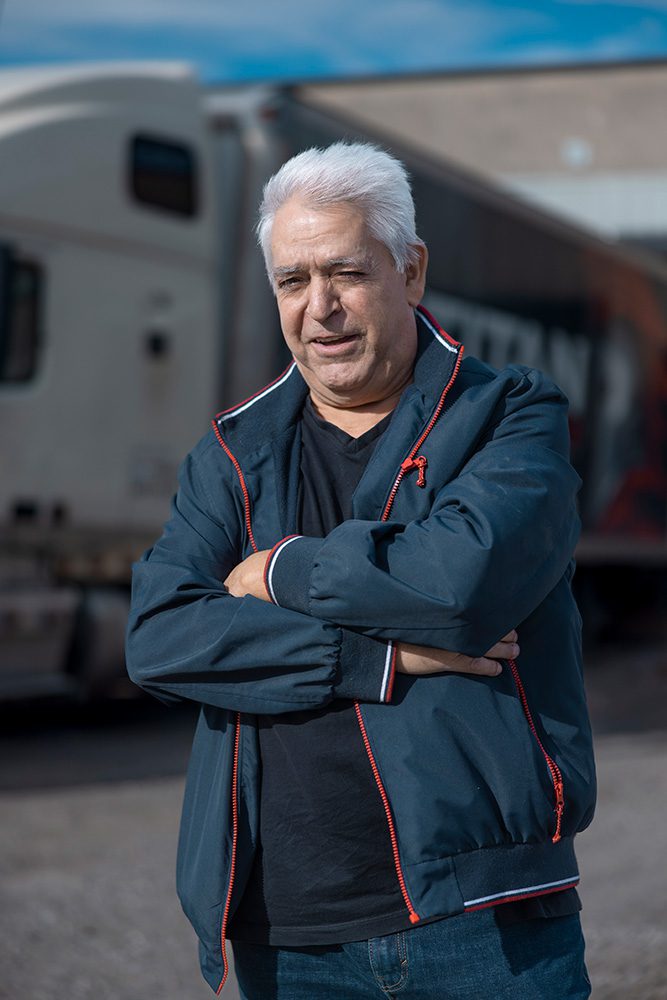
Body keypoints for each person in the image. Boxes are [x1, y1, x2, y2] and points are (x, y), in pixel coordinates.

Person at [126, 141, 596, 999]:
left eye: (343, 272)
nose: (320, 309)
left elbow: (456, 588)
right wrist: (372, 659)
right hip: (288, 935)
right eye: (292, 281)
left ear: (410, 271)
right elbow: (158, 638)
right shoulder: (232, 454)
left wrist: (281, 571)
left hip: (482, 922)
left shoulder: (508, 415)